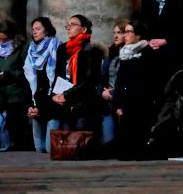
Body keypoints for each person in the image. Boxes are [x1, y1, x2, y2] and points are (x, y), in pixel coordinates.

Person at [51, 15, 104, 133]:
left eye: (73, 25)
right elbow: (59, 75)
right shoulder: (63, 49)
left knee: (80, 140)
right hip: (64, 101)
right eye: (67, 25)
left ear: (84, 29)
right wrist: (55, 95)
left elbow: (90, 80)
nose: (69, 28)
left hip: (83, 102)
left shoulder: (90, 50)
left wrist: (66, 94)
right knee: (66, 142)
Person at [112, 20, 157, 160]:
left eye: (128, 32)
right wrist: (117, 104)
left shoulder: (145, 53)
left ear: (138, 36)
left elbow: (141, 84)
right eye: (124, 32)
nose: (125, 35)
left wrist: (125, 106)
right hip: (124, 104)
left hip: (138, 105)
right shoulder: (125, 53)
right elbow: (120, 81)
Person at [0, 20, 30, 150]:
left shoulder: (22, 48)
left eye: (5, 40)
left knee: (16, 126)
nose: (2, 42)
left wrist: (9, 75)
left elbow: (27, 71)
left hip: (16, 94)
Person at [23, 17, 60, 153]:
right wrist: (30, 106)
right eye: (33, 30)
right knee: (39, 149)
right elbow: (28, 81)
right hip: (36, 105)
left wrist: (42, 108)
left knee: (51, 150)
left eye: (38, 29)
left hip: (51, 106)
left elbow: (57, 82)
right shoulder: (31, 51)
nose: (34, 32)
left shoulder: (57, 48)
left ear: (47, 30)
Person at [98, 19, 127, 152]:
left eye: (119, 33)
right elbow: (102, 77)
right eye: (114, 33)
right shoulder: (112, 54)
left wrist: (115, 94)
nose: (115, 36)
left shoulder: (131, 54)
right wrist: (102, 92)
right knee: (107, 143)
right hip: (107, 100)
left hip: (122, 99)